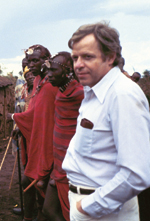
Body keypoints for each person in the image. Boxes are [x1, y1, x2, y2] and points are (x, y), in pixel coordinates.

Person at [62, 21, 150, 221]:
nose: (78, 64)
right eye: (75, 57)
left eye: (87, 57)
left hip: (104, 211)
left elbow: (136, 174)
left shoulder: (122, 95)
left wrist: (87, 207)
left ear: (110, 57)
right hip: (91, 204)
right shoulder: (94, 91)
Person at [7, 44, 58, 221]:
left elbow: (39, 116)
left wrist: (13, 117)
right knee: (30, 182)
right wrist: (20, 125)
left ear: (47, 60)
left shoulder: (51, 85)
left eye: (35, 60)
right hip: (36, 140)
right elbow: (34, 114)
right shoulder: (39, 82)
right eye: (29, 61)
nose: (30, 65)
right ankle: (32, 215)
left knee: (41, 189)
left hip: (51, 144)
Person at [42, 52, 84, 221]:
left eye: (53, 70)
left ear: (68, 72)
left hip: (72, 168)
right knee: (49, 210)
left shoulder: (80, 94)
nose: (49, 74)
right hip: (58, 165)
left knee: (71, 214)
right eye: (48, 70)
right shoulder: (60, 91)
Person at [12, 62, 35, 216]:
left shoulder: (43, 90)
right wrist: (18, 126)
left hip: (38, 138)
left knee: (32, 177)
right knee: (27, 171)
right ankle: (29, 210)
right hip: (27, 137)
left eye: (32, 74)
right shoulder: (27, 91)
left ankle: (36, 213)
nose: (30, 77)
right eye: (27, 76)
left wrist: (17, 119)